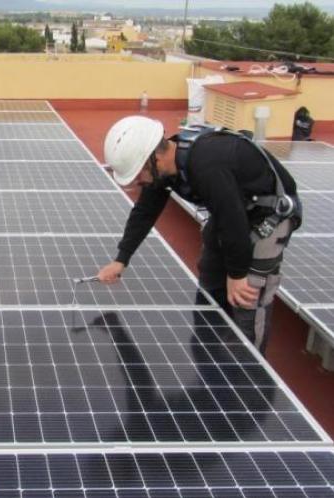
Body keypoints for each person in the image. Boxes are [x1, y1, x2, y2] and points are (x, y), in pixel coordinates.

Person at [97, 116, 302, 353]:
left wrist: (237, 275)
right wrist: (121, 259)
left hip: (269, 213)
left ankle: (248, 362)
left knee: (247, 294)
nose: (138, 182)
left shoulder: (206, 164)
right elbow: (145, 212)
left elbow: (231, 219)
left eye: (137, 175)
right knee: (211, 270)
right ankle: (211, 343)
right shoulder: (166, 168)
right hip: (233, 207)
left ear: (154, 159)